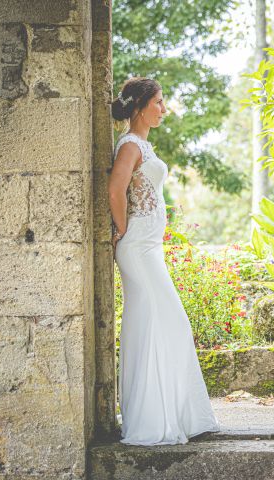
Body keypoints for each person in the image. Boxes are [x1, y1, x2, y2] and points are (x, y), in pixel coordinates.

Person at [108, 77, 219, 445]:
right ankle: (150, 421)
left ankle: (173, 414)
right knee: (162, 322)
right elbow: (115, 189)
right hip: (137, 248)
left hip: (149, 246)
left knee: (162, 325)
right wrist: (123, 230)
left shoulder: (143, 145)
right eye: (158, 102)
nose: (164, 108)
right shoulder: (128, 145)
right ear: (140, 106)